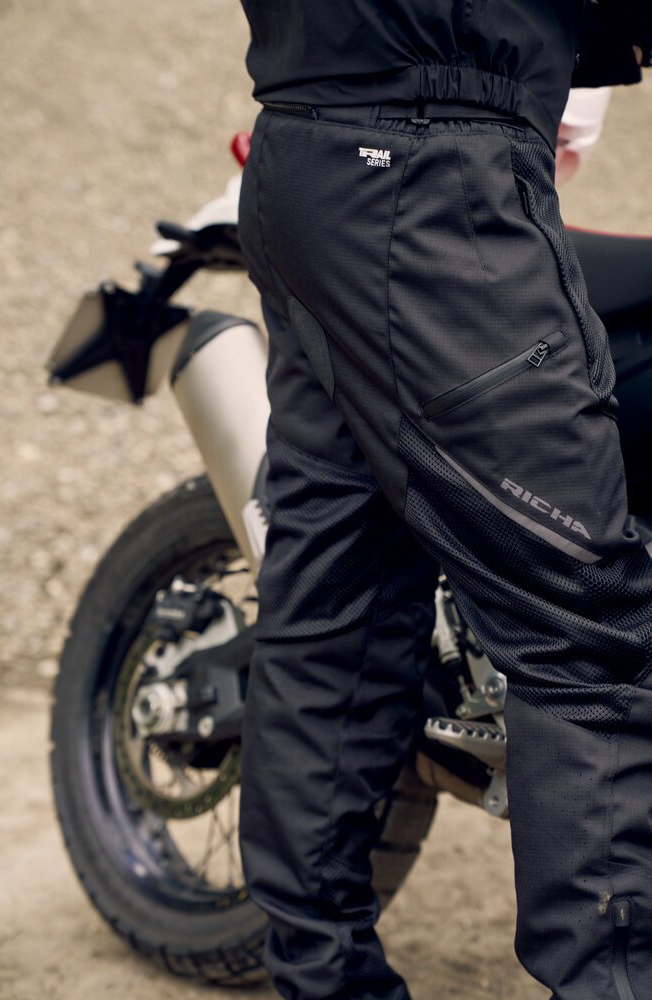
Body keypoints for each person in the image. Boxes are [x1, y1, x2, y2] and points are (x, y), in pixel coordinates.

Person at [236, 3, 652, 998]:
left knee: (336, 612)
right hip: (435, 160)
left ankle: (324, 980)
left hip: (313, 146)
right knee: (586, 628)